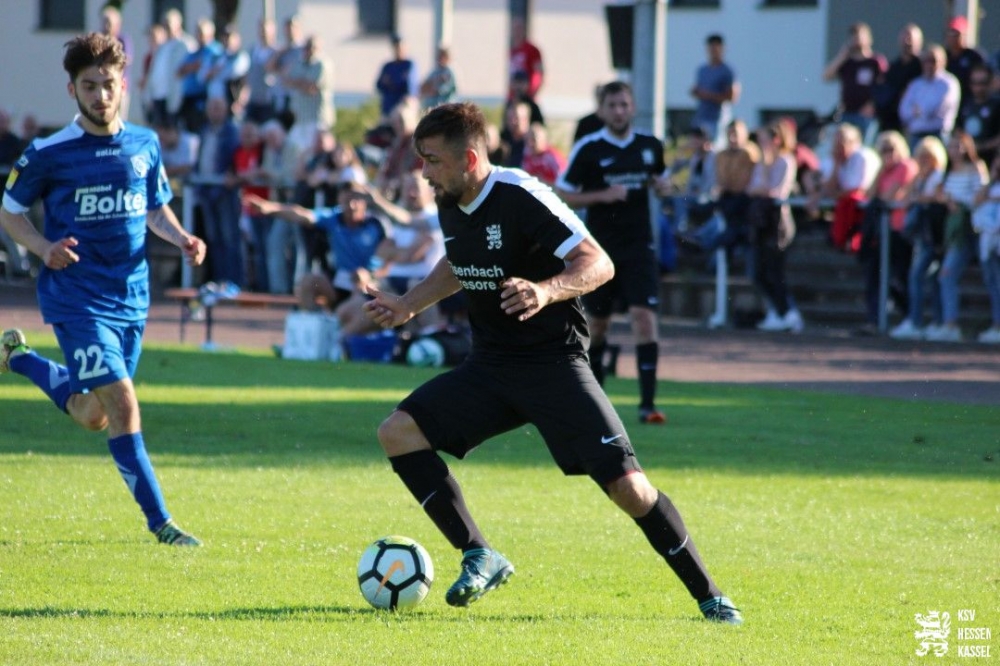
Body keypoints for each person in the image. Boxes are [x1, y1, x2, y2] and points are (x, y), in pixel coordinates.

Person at [361, 101, 742, 623]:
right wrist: (408, 304)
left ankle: (711, 596)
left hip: (554, 364)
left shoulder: (521, 195)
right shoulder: (451, 198)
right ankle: (479, 553)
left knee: (630, 489)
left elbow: (598, 262)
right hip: (490, 365)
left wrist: (546, 290)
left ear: (469, 159)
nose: (424, 173)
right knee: (398, 432)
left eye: (432, 161)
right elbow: (459, 259)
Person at [0, 32, 206, 546]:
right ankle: (163, 525)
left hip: (131, 299)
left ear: (123, 85)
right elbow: (10, 212)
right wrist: (43, 247)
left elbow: (154, 207)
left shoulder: (144, 143)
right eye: (89, 86)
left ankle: (19, 359)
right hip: (76, 299)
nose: (101, 95)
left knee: (94, 415)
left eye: (108, 84)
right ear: (72, 90)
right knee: (124, 404)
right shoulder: (48, 152)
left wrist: (182, 238)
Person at [556, 81, 672, 425]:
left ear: (632, 107)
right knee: (598, 325)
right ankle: (596, 405)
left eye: (624, 104)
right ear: (602, 110)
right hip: (599, 252)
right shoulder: (589, 148)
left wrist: (664, 187)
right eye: (612, 105)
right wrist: (602, 196)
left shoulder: (650, 145)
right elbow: (562, 192)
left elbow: (663, 182)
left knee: (644, 319)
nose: (619, 111)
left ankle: (647, 405)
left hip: (639, 248)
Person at [244, 181, 391, 312]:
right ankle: (313, 326)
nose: (352, 206)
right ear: (340, 200)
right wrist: (269, 208)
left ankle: (352, 325)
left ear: (364, 201)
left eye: (356, 200)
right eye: (347, 201)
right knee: (308, 282)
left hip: (370, 282)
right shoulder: (333, 218)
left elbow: (391, 257)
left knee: (359, 276)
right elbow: (303, 214)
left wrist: (372, 275)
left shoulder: (377, 224)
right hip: (339, 280)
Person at [923, 130, 988, 342]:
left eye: (958, 146)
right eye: (950, 146)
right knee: (945, 275)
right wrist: (947, 200)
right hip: (955, 231)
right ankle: (949, 324)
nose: (954, 150)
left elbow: (980, 196)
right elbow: (939, 195)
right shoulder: (948, 171)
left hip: (973, 229)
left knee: (989, 276)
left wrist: (958, 201)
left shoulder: (976, 167)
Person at [889, 136, 949, 340]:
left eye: (927, 157)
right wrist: (916, 186)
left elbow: (938, 198)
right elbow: (906, 197)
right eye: (920, 157)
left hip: (935, 236)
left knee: (920, 276)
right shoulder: (921, 178)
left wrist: (919, 197)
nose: (923, 161)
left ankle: (921, 321)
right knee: (930, 278)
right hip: (922, 236)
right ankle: (930, 322)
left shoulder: (939, 176)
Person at [747, 121, 803, 333]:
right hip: (761, 223)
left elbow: (777, 192)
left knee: (775, 272)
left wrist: (763, 187)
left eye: (764, 140)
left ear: (776, 140)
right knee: (758, 272)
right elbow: (752, 189)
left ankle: (789, 313)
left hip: (778, 224)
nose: (761, 145)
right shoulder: (762, 163)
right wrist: (764, 169)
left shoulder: (786, 161)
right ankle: (779, 312)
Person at [860, 130, 917, 331]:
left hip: (900, 231)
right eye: (883, 150)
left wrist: (879, 198)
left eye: (891, 149)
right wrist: (880, 171)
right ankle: (874, 320)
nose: (888, 154)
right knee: (875, 276)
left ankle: (910, 318)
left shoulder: (906, 166)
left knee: (898, 278)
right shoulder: (884, 170)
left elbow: (888, 197)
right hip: (884, 232)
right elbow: (869, 195)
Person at [192, 95, 243, 287]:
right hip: (206, 191)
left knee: (229, 238)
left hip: (225, 192)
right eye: (211, 107)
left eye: (218, 107)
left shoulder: (232, 131)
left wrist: (231, 173)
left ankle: (234, 283)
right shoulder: (204, 130)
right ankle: (219, 281)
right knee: (213, 239)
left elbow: (235, 160)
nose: (214, 111)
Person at [809, 123, 880, 252]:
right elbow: (824, 186)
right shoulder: (834, 158)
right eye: (836, 143)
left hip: (866, 214)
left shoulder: (863, 157)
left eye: (842, 143)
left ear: (854, 143)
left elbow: (856, 191)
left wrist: (832, 193)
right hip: (844, 212)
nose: (839, 147)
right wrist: (836, 165)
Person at [823, 22, 887, 144]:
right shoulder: (847, 63)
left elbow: (884, 86)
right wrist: (842, 55)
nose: (857, 39)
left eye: (859, 36)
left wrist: (873, 104)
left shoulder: (875, 62)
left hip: (866, 115)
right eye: (854, 36)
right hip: (847, 113)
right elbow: (826, 76)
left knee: (865, 147)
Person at [898, 44, 960, 150]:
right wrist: (917, 111)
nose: (929, 64)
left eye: (933, 60)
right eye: (926, 61)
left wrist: (917, 110)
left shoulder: (949, 83)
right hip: (916, 136)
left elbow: (933, 110)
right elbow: (903, 111)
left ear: (943, 62)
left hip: (938, 135)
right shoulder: (915, 84)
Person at [284, 34, 336, 154]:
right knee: (295, 151)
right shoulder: (299, 63)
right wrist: (300, 82)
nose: (309, 50)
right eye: (306, 47)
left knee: (315, 152)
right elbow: (286, 81)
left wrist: (297, 82)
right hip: (300, 118)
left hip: (317, 119)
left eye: (312, 46)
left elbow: (311, 88)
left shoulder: (322, 64)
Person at [689, 34, 739, 148]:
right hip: (702, 117)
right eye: (711, 48)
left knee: (714, 149)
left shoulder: (727, 71)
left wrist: (708, 95)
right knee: (697, 148)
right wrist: (696, 92)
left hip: (718, 120)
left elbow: (732, 97)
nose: (713, 51)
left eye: (716, 48)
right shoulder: (702, 70)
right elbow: (697, 89)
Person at [146, 9, 193, 129]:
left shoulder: (185, 44)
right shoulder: (162, 47)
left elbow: (191, 67)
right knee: (159, 130)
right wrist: (149, 94)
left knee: (172, 130)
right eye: (164, 23)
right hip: (158, 96)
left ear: (178, 24)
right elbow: (153, 71)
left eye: (169, 23)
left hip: (175, 97)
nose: (166, 27)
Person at [873, 23, 924, 135]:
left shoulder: (923, 66)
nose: (907, 42)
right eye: (904, 38)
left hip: (914, 120)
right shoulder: (894, 67)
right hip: (892, 120)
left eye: (910, 38)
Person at [971, 154, 1000, 343]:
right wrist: (992, 179)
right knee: (993, 283)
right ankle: (997, 325)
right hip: (989, 240)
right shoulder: (991, 185)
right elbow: (976, 200)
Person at [176, 17, 222, 134]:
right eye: (197, 32)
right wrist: (193, 66)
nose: (199, 36)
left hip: (203, 98)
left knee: (200, 131)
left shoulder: (214, 50)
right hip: (188, 99)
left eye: (201, 32)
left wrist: (193, 67)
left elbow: (208, 68)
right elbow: (179, 72)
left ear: (210, 33)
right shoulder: (193, 53)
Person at [957, 63, 1000, 168]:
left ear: (991, 83)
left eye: (983, 83)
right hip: (967, 160)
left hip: (990, 160)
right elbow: (958, 129)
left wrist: (980, 146)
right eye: (974, 83)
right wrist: (967, 146)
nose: (978, 87)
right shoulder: (965, 104)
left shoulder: (997, 105)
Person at [944, 15, 987, 109]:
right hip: (949, 102)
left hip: (969, 101)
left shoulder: (974, 56)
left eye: (957, 34)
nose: (954, 38)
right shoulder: (944, 56)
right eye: (951, 34)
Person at [99, 5, 133, 122]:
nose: (106, 26)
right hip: (102, 87)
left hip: (119, 88)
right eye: (104, 22)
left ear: (117, 25)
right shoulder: (98, 39)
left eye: (109, 23)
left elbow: (127, 60)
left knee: (119, 120)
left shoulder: (123, 40)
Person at [375, 34, 419, 122]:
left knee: (403, 119)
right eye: (396, 48)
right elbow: (379, 85)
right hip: (388, 106)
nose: (398, 50)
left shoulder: (409, 64)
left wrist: (392, 83)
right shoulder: (388, 66)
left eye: (400, 47)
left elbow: (410, 85)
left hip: (403, 105)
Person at [243, 18, 280, 124]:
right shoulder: (253, 50)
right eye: (261, 30)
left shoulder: (277, 51)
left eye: (266, 30)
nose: (263, 33)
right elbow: (247, 73)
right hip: (253, 98)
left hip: (269, 99)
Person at [508, 17, 543, 101]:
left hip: (527, 94)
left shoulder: (532, 49)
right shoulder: (511, 50)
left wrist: (533, 90)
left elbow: (538, 72)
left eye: (519, 28)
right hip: (512, 95)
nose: (517, 32)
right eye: (515, 29)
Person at [520, 122, 566, 187]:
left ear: (543, 140)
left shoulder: (553, 157)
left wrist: (543, 183)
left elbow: (563, 184)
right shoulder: (527, 154)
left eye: (533, 140)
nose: (530, 143)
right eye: (527, 140)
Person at [419, 45, 457, 110]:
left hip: (445, 107)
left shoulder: (450, 72)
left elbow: (446, 88)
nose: (440, 58)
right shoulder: (435, 71)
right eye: (439, 56)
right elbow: (424, 86)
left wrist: (435, 90)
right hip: (431, 106)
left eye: (442, 56)